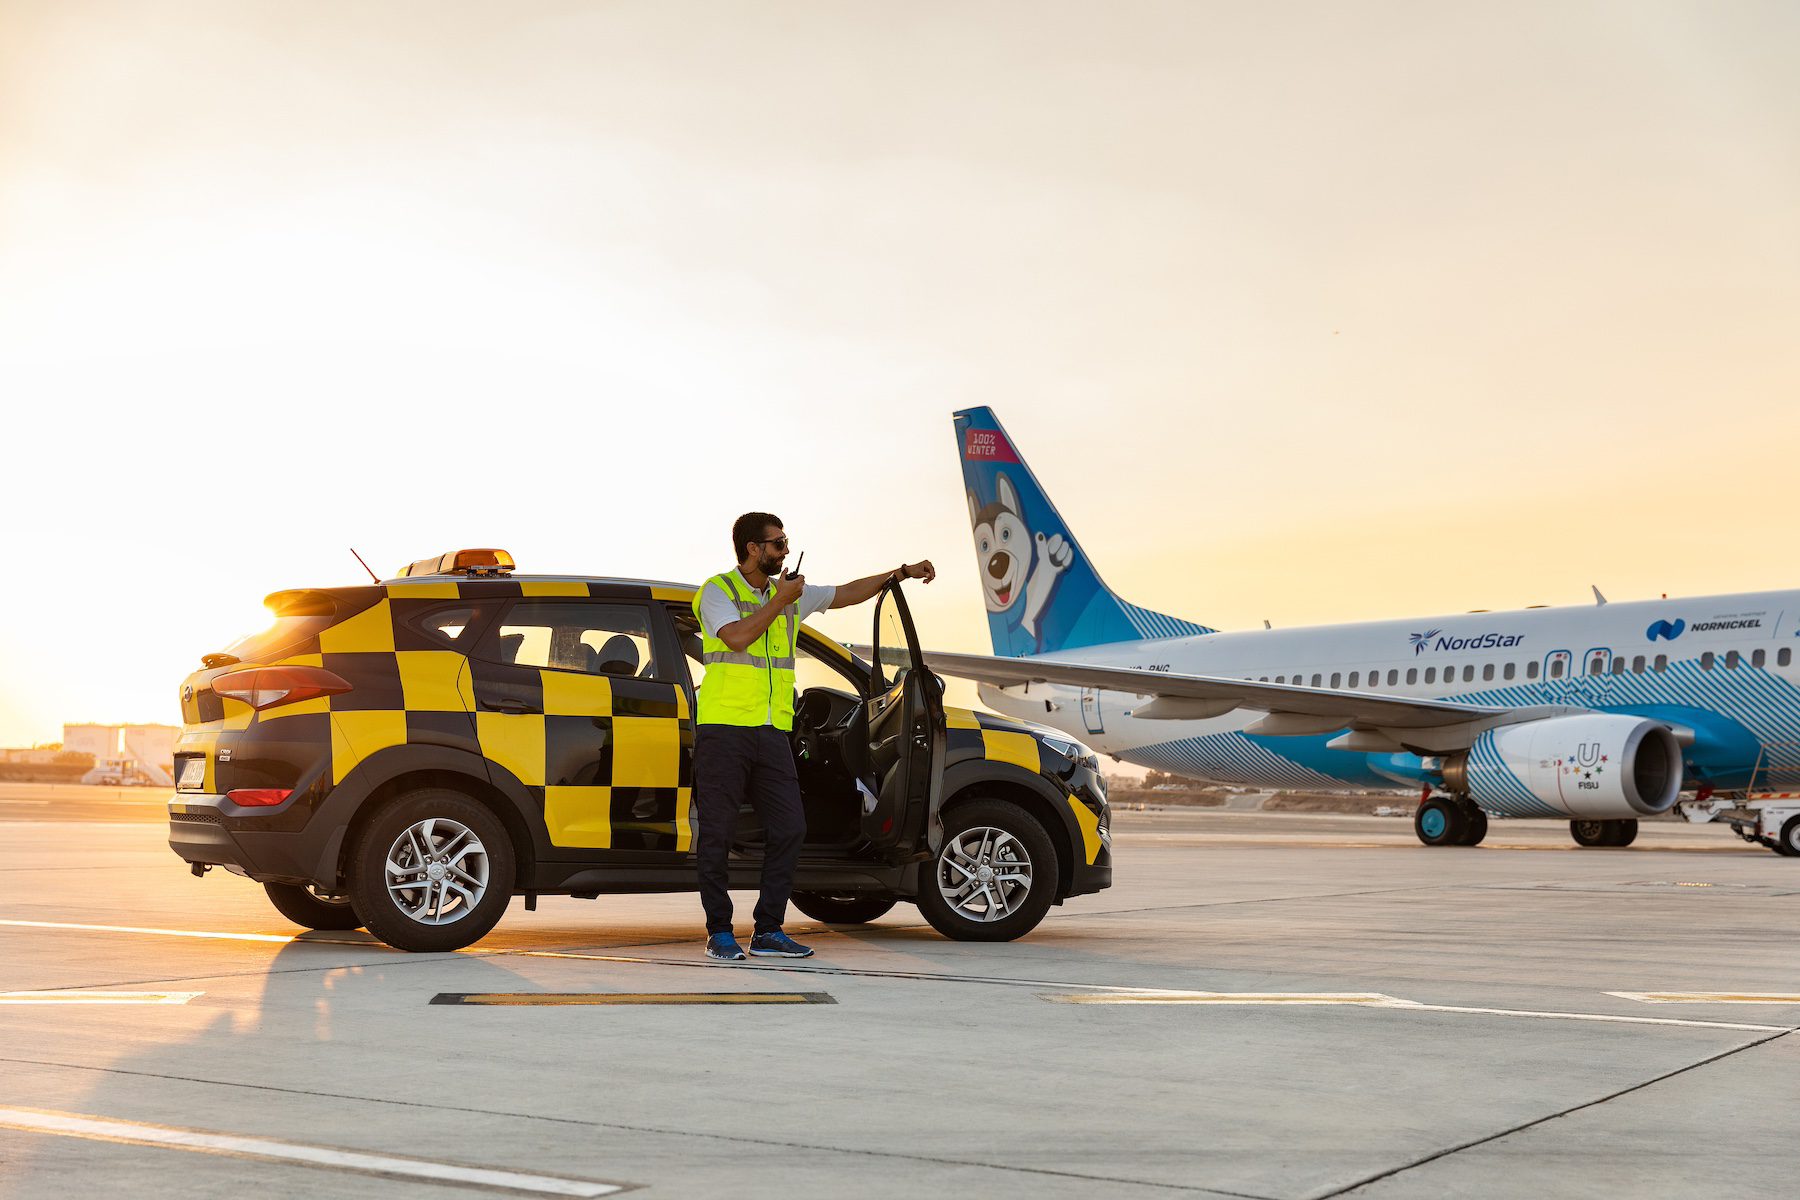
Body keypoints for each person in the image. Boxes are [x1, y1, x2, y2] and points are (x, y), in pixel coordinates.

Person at [692, 511, 935, 961]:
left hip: (771, 730)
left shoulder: (789, 597)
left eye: (786, 543)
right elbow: (739, 638)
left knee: (790, 828)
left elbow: (845, 594)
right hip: (724, 729)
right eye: (778, 543)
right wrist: (780, 600)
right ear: (753, 549)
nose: (786, 550)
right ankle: (719, 933)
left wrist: (898, 574)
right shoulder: (718, 591)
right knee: (717, 835)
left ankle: (767, 930)